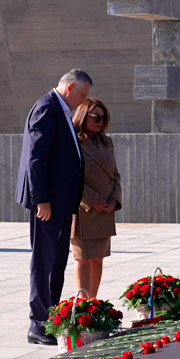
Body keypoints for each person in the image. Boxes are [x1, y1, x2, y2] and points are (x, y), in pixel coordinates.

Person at [16, 69, 91, 345]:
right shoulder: (47, 108)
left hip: (60, 202)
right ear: (70, 87)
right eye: (82, 95)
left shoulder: (61, 110)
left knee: (57, 262)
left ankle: (52, 317)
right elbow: (36, 158)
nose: (84, 102)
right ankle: (38, 324)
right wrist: (41, 200)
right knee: (44, 261)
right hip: (47, 203)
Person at [69, 98, 121, 299]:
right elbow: (71, 177)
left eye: (104, 117)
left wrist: (114, 199)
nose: (101, 121)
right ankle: (83, 305)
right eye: (96, 117)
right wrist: (92, 200)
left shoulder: (106, 142)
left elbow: (115, 173)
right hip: (84, 210)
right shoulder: (73, 142)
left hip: (105, 210)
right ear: (83, 117)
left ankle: (93, 302)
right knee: (83, 258)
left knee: (98, 259)